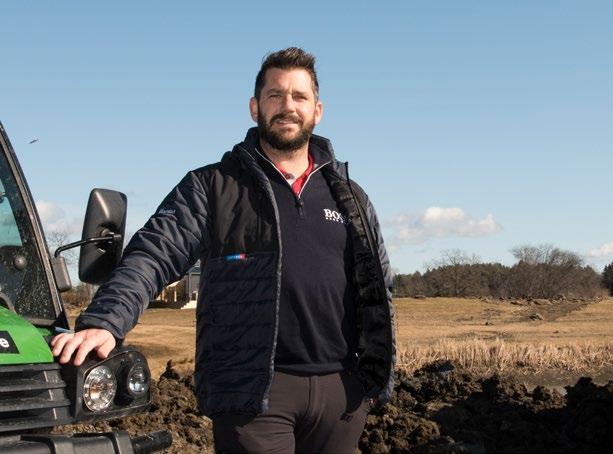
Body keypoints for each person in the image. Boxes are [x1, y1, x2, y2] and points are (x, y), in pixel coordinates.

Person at [50, 47, 395, 453]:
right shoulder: (213, 187)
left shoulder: (350, 197)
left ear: (317, 110)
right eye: (275, 95)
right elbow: (154, 253)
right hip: (256, 395)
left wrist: (370, 378)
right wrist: (107, 320)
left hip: (342, 393)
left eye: (299, 97)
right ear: (254, 108)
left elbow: (379, 285)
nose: (288, 106)